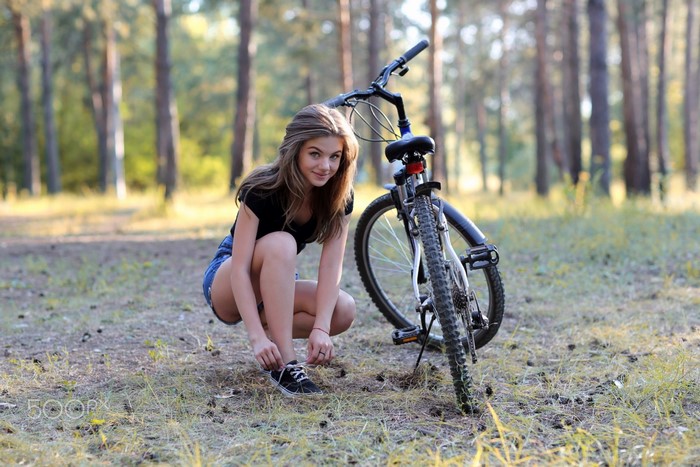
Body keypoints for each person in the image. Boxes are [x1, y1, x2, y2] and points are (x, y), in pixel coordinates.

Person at [202, 104, 359, 396]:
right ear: (295, 151)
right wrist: (257, 338)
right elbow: (239, 268)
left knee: (342, 310)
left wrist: (321, 329)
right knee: (281, 242)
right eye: (315, 154)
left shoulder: (339, 196)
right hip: (230, 279)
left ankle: (274, 330)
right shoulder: (263, 189)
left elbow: (331, 266)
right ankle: (285, 365)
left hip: (278, 279)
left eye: (334, 156)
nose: (325, 166)